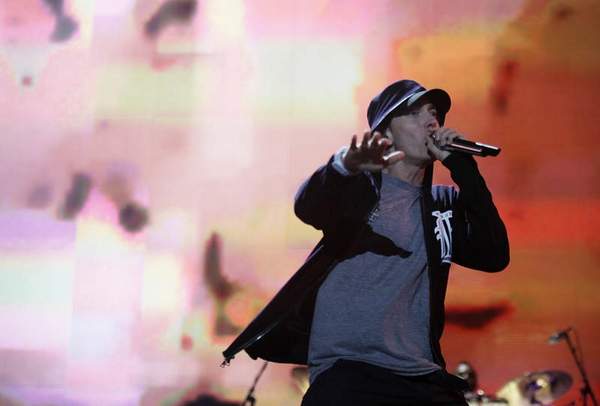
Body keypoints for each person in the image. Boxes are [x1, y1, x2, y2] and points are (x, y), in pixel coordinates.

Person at [221, 79, 509, 406]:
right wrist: (343, 166)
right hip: (350, 371)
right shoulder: (360, 192)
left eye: (433, 113)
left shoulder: (442, 205)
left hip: (421, 376)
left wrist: (463, 167)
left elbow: (494, 255)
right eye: (415, 113)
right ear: (385, 135)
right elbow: (307, 206)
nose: (431, 121)